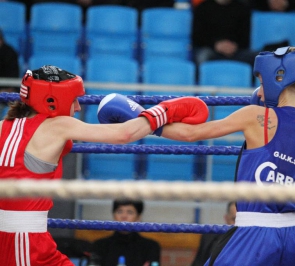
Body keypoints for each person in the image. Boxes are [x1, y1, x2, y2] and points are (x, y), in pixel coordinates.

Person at [0, 65, 209, 266]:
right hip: (24, 242)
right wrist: (163, 111)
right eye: (74, 100)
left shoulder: (3, 127)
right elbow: (124, 134)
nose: (78, 107)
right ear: (52, 100)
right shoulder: (57, 126)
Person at [160, 46, 295, 265]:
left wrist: (143, 117)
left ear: (278, 76)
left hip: (255, 235)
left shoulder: (256, 115)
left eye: (261, 82)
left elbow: (191, 133)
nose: (258, 92)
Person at [91, 199, 161, 266]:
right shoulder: (99, 245)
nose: (124, 216)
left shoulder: (150, 247)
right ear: (113, 216)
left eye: (130, 212)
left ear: (138, 217)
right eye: (119, 211)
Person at [191, 0, 256, 66]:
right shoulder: (203, 7)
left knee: (258, 58)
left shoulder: (242, 8)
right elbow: (197, 36)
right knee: (202, 56)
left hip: (236, 50)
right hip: (211, 49)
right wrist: (216, 45)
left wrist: (233, 46)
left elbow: (245, 37)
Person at [191, 201, 236, 266]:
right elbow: (198, 263)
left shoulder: (252, 242)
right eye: (234, 219)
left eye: (241, 220)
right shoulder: (209, 239)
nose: (237, 224)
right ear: (226, 218)